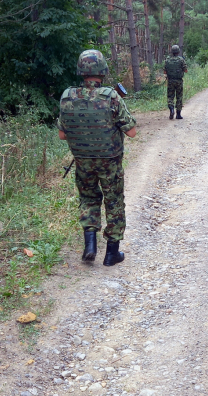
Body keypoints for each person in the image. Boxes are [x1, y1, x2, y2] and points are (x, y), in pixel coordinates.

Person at [58, 49, 137, 266]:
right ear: (102, 70)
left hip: (83, 161)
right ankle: (111, 254)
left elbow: (62, 135)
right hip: (109, 162)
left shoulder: (68, 97)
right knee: (114, 202)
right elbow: (131, 132)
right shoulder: (111, 97)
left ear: (81, 71)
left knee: (89, 199)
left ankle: (90, 246)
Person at [164, 45, 188, 120]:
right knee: (179, 97)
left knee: (170, 97)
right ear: (178, 51)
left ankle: (171, 109)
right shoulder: (181, 60)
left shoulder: (167, 60)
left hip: (170, 81)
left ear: (172, 52)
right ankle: (178, 114)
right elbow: (186, 70)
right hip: (179, 81)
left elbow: (164, 71)